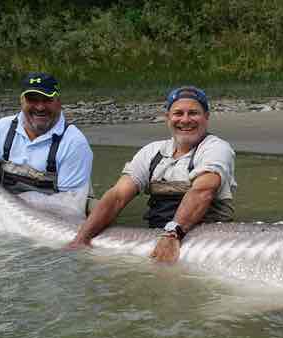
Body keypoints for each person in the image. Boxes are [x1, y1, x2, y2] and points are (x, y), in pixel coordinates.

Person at [68, 86, 237, 262]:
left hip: (208, 242)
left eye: (193, 113)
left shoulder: (216, 148)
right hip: (156, 237)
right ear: (168, 118)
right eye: (178, 113)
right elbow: (118, 196)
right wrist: (81, 240)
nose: (185, 120)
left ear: (206, 117)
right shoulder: (151, 152)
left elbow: (203, 191)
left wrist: (172, 234)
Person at [0, 72, 93, 209]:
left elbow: (70, 209)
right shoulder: (2, 129)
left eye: (47, 100)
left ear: (58, 102)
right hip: (6, 211)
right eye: (32, 100)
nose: (40, 107)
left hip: (53, 219)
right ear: (22, 101)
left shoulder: (74, 144)